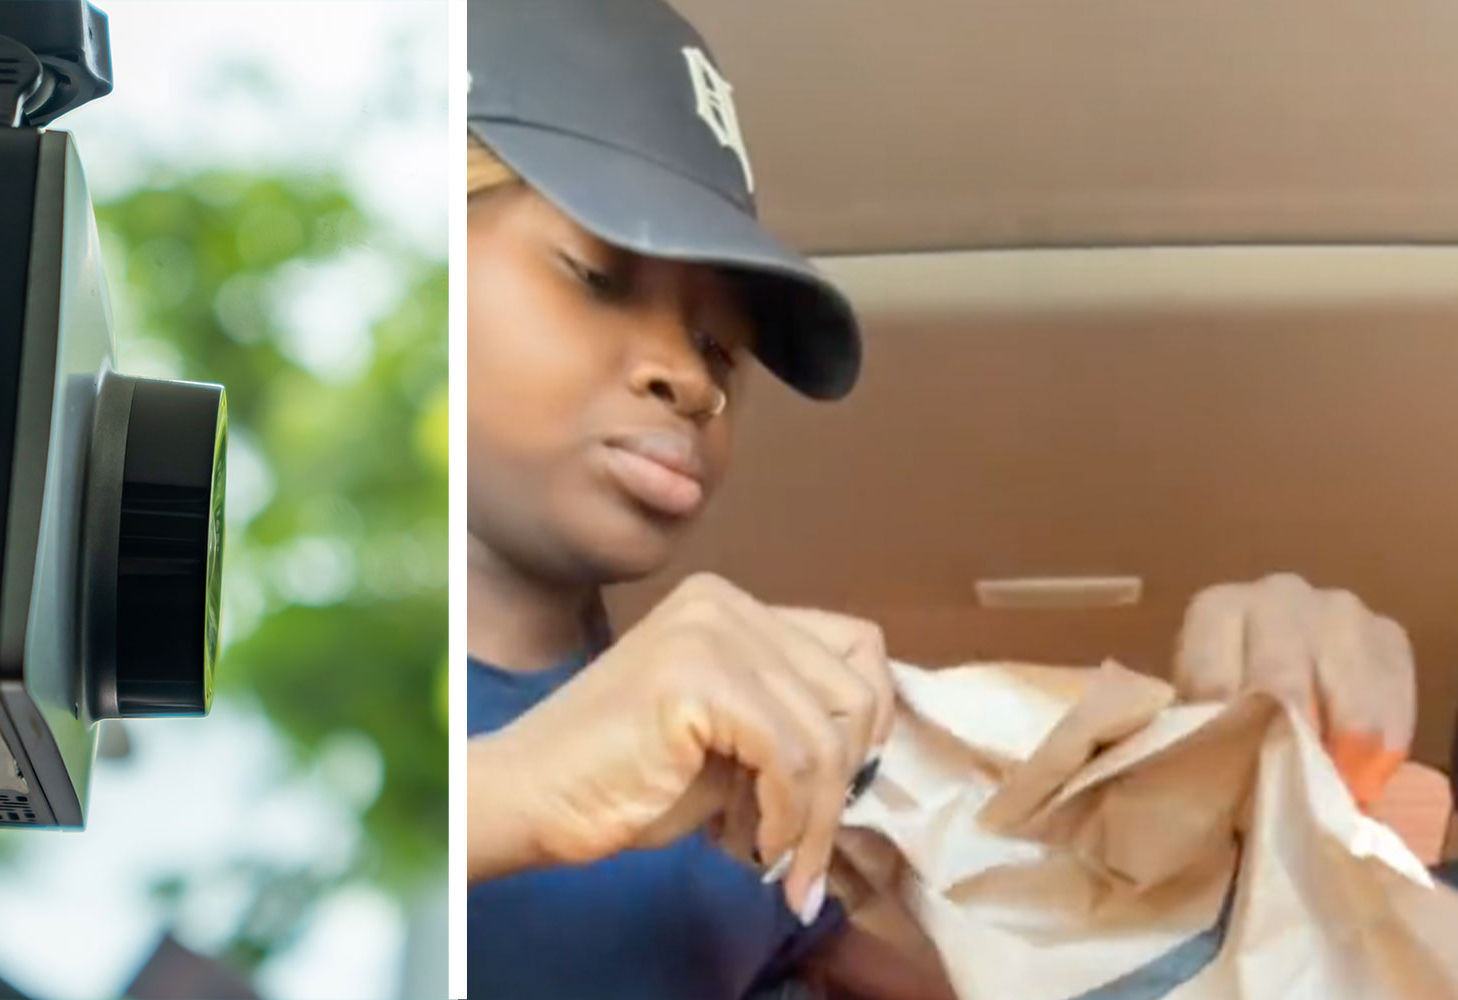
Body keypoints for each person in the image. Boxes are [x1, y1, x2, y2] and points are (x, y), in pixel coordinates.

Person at [462, 0, 1424, 997]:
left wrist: (1240, 765)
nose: (688, 376)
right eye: (597, 275)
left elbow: (1083, 962)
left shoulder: (745, 776)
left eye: (719, 347)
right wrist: (506, 796)